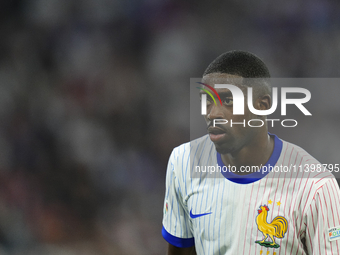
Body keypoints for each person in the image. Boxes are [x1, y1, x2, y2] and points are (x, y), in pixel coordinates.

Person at [162, 50, 340, 255]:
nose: (212, 113)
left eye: (228, 100)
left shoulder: (316, 186)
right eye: (207, 101)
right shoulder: (183, 161)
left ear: (262, 105)